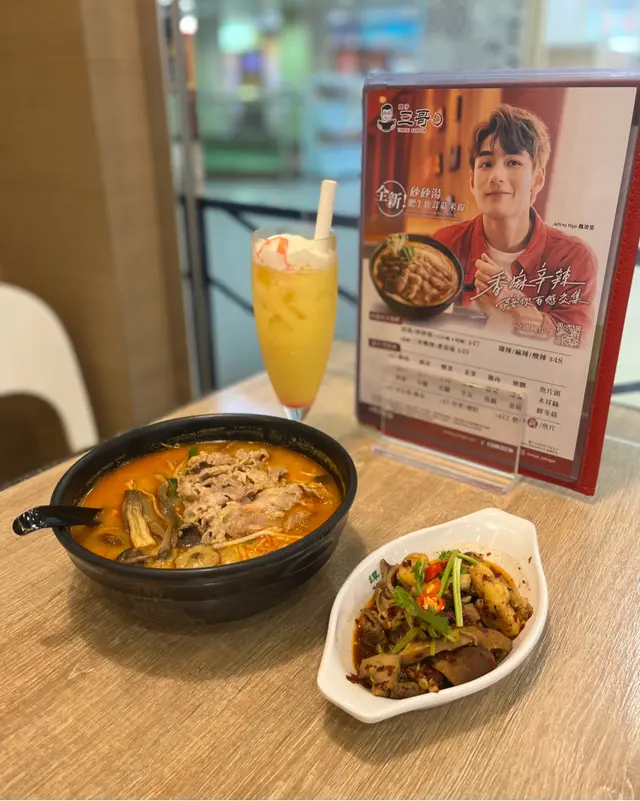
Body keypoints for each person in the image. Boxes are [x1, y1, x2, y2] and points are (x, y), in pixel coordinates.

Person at [432, 104, 596, 342]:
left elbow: (574, 341)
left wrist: (516, 303)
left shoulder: (573, 257)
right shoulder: (443, 244)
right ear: (472, 181)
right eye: (486, 164)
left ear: (537, 179)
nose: (497, 176)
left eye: (513, 163)